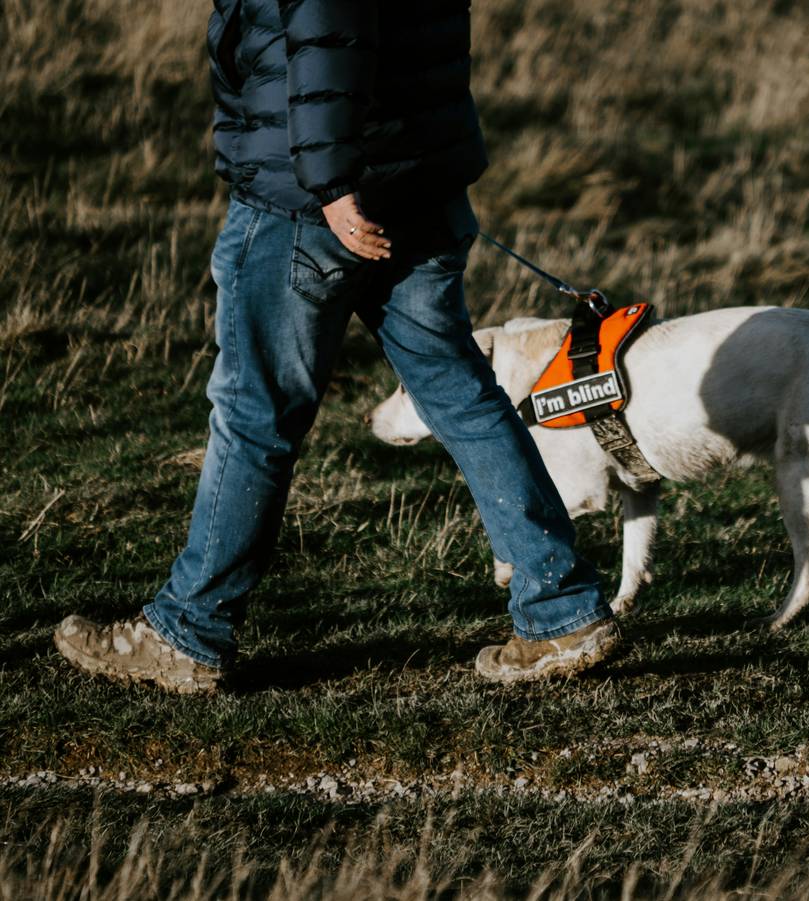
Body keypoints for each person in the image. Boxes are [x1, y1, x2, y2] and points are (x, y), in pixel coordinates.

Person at [53, 0, 618, 692]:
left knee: (255, 414)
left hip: (313, 203)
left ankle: (186, 631)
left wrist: (332, 183)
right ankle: (562, 609)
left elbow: (330, 25)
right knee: (462, 394)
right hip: (419, 184)